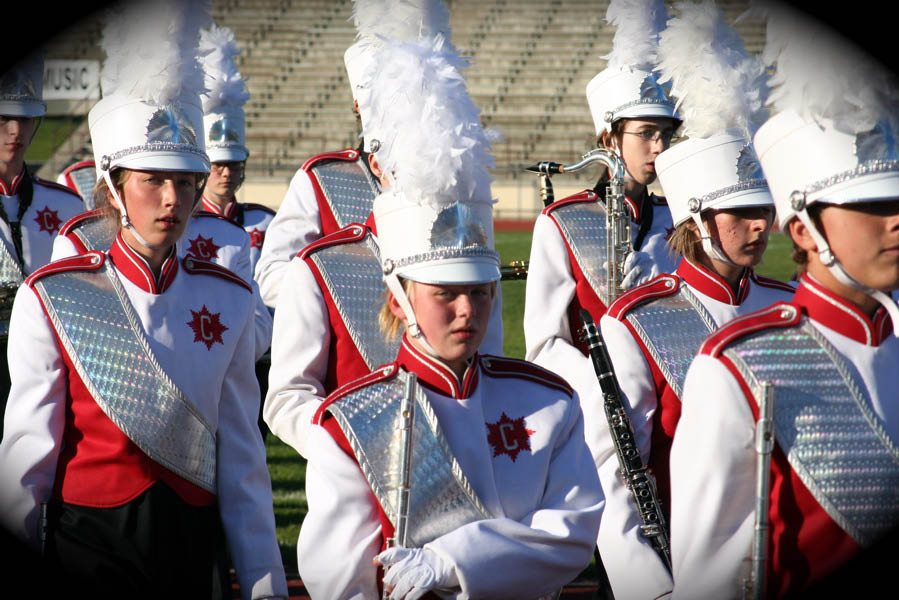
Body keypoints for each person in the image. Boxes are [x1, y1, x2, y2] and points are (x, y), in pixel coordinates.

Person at [296, 33, 603, 594]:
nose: (468, 310)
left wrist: (452, 563)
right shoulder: (350, 425)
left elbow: (574, 533)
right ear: (398, 299)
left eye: (482, 291)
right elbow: (336, 581)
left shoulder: (548, 401)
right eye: (444, 294)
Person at [0, 2, 287, 597]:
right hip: (87, 546)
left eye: (185, 182)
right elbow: (27, 459)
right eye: (151, 179)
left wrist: (266, 584)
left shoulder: (230, 299)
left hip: (191, 546)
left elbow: (243, 464)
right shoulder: (55, 296)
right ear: (112, 185)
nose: (171, 200)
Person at [669, 5, 899, 598]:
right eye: (871, 206)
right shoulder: (735, 368)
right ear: (804, 231)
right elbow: (709, 578)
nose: (895, 221)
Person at [593, 3, 796, 597]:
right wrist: (648, 587)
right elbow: (616, 472)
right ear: (696, 220)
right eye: (742, 214)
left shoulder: (789, 308)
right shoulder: (638, 320)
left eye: (764, 211)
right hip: (684, 562)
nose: (760, 227)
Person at [264, 0, 502, 460]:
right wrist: (353, 449)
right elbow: (288, 397)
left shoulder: (469, 256)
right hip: (353, 479)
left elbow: (488, 369)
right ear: (376, 162)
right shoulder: (320, 268)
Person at [0, 52, 84, 423]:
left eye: (25, 118)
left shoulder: (66, 203)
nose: (16, 131)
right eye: (3, 119)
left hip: (45, 359)